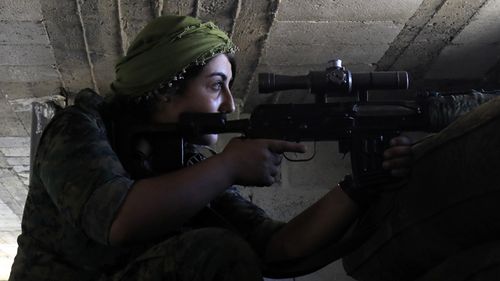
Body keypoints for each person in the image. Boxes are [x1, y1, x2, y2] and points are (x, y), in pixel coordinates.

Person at [8, 15, 413, 281]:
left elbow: (279, 247)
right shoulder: (78, 128)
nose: (230, 105)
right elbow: (116, 220)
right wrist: (228, 166)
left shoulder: (185, 160)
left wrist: (360, 187)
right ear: (166, 89)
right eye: (217, 85)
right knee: (214, 251)